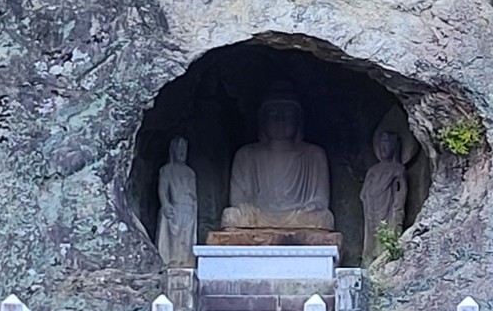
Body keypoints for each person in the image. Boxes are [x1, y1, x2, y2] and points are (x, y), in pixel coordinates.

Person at [221, 87, 334, 229]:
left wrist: (311, 207)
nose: (280, 119)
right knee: (231, 216)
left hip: (300, 215)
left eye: (288, 113)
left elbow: (321, 201)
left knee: (323, 218)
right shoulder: (246, 155)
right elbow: (238, 200)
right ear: (262, 120)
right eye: (273, 113)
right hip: (258, 215)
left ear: (299, 120)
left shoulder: (314, 154)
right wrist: (245, 208)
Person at [360, 131, 407, 264]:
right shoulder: (373, 170)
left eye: (386, 146)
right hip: (371, 207)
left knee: (387, 232)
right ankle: (368, 259)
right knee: (371, 236)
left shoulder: (397, 169)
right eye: (381, 146)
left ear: (394, 147)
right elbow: (363, 193)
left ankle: (385, 257)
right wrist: (368, 198)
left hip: (388, 208)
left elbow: (401, 190)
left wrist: (398, 206)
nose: (383, 150)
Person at [156, 137, 197, 265]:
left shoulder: (190, 172)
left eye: (184, 149)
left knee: (186, 237)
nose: (182, 152)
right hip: (175, 208)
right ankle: (171, 260)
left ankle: (185, 261)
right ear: (173, 150)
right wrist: (165, 204)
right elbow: (162, 189)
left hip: (188, 208)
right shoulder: (166, 170)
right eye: (179, 148)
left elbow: (194, 194)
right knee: (174, 236)